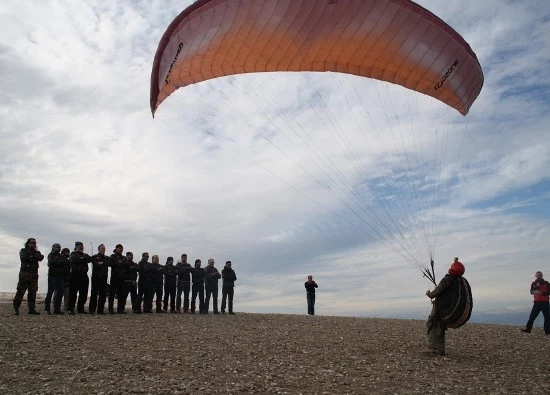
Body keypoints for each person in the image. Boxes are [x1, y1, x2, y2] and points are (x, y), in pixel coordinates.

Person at [425, 257, 465, 356]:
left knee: (432, 324)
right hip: (448, 310)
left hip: (440, 308)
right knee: (441, 327)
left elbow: (436, 292)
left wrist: (429, 294)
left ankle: (432, 349)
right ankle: (441, 350)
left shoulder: (447, 280)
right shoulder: (459, 282)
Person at [13, 238, 44, 315]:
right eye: (32, 242)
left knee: (32, 292)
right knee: (20, 291)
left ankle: (31, 309)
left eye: (35, 243)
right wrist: (33, 257)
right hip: (25, 274)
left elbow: (41, 257)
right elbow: (24, 257)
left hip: (34, 275)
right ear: (28, 243)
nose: (33, 244)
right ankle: (16, 308)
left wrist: (32, 256)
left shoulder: (36, 252)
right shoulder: (23, 250)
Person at [521, 271, 550, 335]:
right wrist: (536, 286)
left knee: (547, 317)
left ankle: (547, 331)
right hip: (537, 303)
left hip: (545, 303)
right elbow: (531, 292)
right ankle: (528, 329)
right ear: (536, 276)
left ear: (542, 276)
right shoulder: (534, 283)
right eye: (537, 275)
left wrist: (542, 293)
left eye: (540, 275)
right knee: (532, 317)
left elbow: (549, 292)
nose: (538, 276)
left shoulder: (546, 283)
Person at [44, 243, 70, 315]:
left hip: (60, 276)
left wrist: (58, 263)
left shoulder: (61, 256)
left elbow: (65, 263)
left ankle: (57, 309)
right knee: (50, 292)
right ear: (53, 247)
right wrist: (59, 263)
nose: (58, 248)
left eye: (59, 247)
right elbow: (52, 262)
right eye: (57, 247)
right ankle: (47, 309)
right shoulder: (51, 255)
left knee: (60, 293)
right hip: (52, 276)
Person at [68, 241, 92, 314]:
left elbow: (90, 259)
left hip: (84, 275)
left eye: (82, 246)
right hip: (75, 275)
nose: (81, 248)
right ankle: (71, 309)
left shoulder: (85, 255)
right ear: (76, 247)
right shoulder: (72, 254)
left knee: (84, 293)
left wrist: (81, 259)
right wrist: (82, 259)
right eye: (79, 246)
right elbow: (73, 259)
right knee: (73, 293)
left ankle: (80, 308)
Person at [89, 244, 110, 314]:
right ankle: (92, 310)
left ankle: (100, 310)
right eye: (102, 248)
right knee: (94, 294)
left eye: (104, 248)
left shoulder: (106, 257)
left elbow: (110, 263)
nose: (104, 250)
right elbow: (96, 264)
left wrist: (102, 263)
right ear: (99, 249)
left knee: (103, 294)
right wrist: (103, 263)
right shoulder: (94, 257)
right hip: (96, 277)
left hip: (104, 277)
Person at [108, 244, 126, 314]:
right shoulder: (113, 256)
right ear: (116, 249)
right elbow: (114, 263)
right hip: (115, 277)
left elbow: (125, 264)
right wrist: (120, 263)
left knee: (121, 294)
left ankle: (120, 309)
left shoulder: (123, 257)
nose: (121, 249)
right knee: (112, 294)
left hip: (122, 277)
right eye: (120, 248)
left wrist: (120, 263)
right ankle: (110, 308)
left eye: (122, 248)